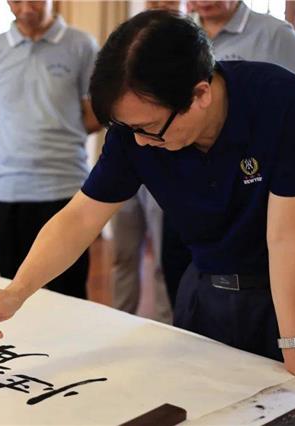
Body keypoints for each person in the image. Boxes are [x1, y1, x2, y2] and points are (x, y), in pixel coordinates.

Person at [0, 10, 295, 383]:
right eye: (128, 128)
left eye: (149, 129)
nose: (140, 143)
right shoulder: (135, 131)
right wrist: (16, 292)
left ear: (200, 95)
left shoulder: (283, 101)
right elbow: (81, 216)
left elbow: (286, 235)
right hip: (207, 287)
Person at [160, 0, 295, 307]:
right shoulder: (179, 33)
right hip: (192, 178)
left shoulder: (271, 32)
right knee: (179, 262)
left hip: (249, 180)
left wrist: (283, 140)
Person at [0, 0, 101, 299]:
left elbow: (95, 114)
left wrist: (55, 136)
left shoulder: (82, 45)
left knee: (67, 292)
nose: (25, 6)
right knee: (8, 289)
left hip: (64, 187)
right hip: (8, 189)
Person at [108, 0, 182, 322]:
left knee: (166, 258)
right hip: (128, 164)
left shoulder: (190, 43)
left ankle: (167, 327)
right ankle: (118, 320)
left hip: (171, 167)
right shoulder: (127, 41)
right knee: (123, 254)